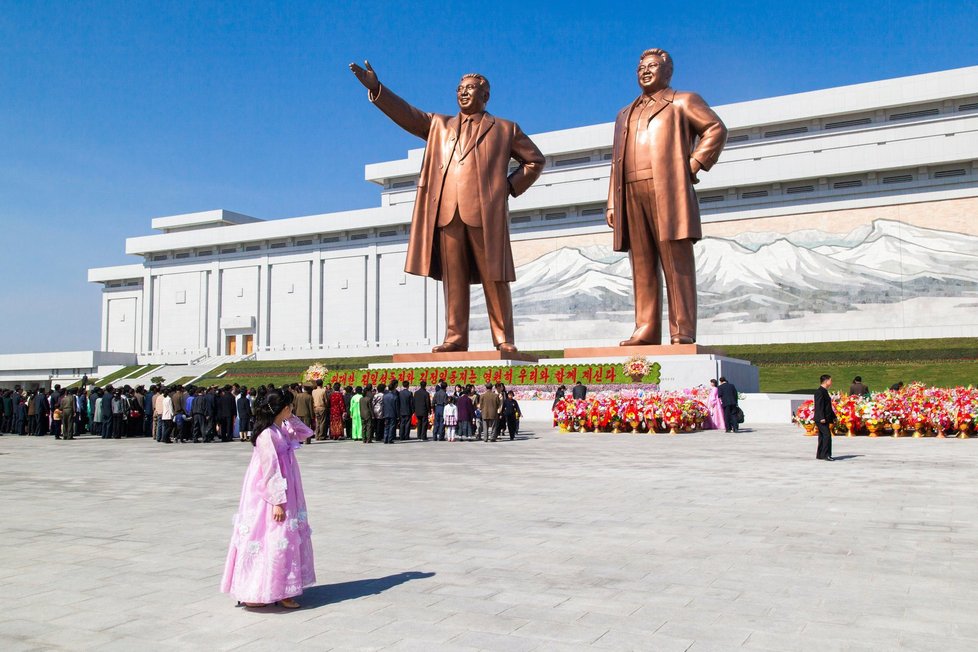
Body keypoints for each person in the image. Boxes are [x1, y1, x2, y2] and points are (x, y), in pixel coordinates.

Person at [350, 61, 545, 353]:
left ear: (485, 95)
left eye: (471, 89)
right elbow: (408, 115)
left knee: (495, 276)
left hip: (484, 213)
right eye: (460, 89)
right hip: (447, 211)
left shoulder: (505, 129)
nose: (463, 93)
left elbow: (534, 161)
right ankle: (455, 337)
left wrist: (506, 187)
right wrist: (377, 89)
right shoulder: (439, 125)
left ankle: (503, 338)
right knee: (453, 280)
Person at [607, 48, 727, 346]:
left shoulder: (682, 101)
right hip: (631, 191)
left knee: (676, 262)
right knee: (642, 264)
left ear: (667, 71)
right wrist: (612, 202)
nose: (645, 71)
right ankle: (645, 328)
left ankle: (681, 329)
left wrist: (692, 165)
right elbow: (615, 162)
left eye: (652, 66)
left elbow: (715, 128)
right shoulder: (625, 113)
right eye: (640, 67)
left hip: (668, 189)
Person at [221, 388, 315, 609]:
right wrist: (278, 502)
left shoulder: (280, 428)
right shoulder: (267, 435)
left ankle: (281, 589)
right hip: (269, 495)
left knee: (281, 537)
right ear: (281, 408)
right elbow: (270, 470)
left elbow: (306, 432)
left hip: (286, 489)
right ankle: (258, 589)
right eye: (289, 406)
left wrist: (290, 416)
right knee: (269, 535)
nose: (292, 410)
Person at [814, 374, 836, 461]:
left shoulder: (824, 391)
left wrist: (833, 416)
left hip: (825, 417)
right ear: (826, 381)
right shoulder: (819, 391)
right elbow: (819, 406)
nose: (831, 382)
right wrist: (821, 417)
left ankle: (820, 454)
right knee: (827, 435)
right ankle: (826, 454)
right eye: (830, 380)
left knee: (822, 436)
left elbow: (827, 406)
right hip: (821, 419)